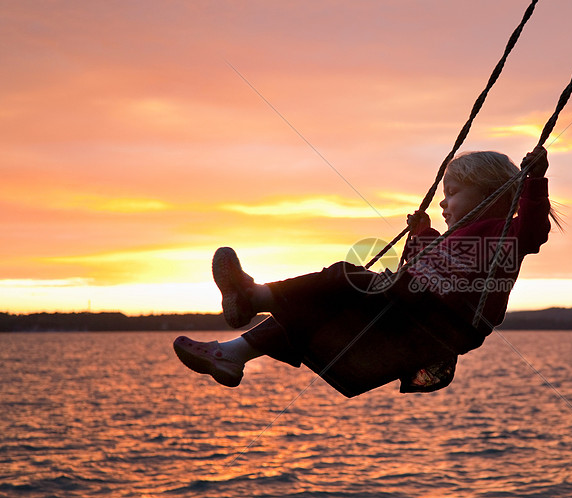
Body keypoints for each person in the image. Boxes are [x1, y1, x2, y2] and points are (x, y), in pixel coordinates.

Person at [174, 146, 552, 396]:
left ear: (490, 193)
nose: (443, 203)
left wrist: (534, 181)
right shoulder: (450, 240)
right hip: (411, 311)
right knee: (314, 317)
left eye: (451, 193)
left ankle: (255, 296)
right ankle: (232, 355)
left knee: (345, 277)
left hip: (438, 317)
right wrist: (421, 233)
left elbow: (534, 230)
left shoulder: (505, 233)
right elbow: (427, 263)